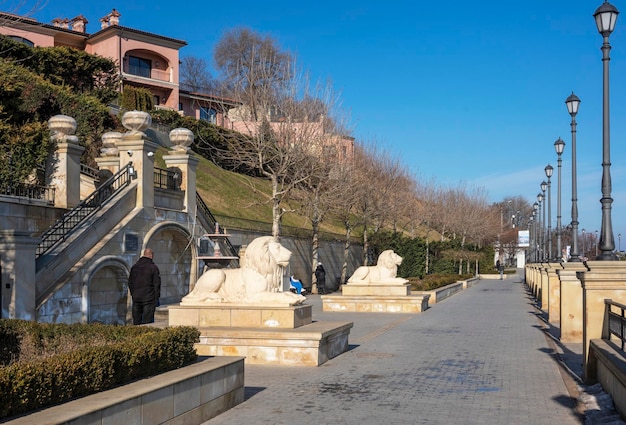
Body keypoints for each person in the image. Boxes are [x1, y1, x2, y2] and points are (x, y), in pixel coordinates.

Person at [129, 248, 161, 325]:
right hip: (149, 298)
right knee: (147, 322)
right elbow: (156, 284)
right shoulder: (153, 268)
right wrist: (156, 297)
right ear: (151, 255)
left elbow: (130, 282)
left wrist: (133, 294)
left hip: (136, 297)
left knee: (136, 321)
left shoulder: (135, 267)